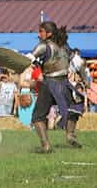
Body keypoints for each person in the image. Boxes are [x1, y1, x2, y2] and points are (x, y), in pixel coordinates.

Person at [26, 21, 85, 152]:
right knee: (74, 108)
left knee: (38, 117)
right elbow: (79, 63)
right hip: (64, 84)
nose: (38, 34)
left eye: (41, 31)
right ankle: (70, 134)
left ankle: (46, 146)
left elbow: (28, 58)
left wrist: (16, 64)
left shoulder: (43, 45)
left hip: (49, 85)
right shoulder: (65, 46)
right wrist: (85, 81)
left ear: (49, 33)